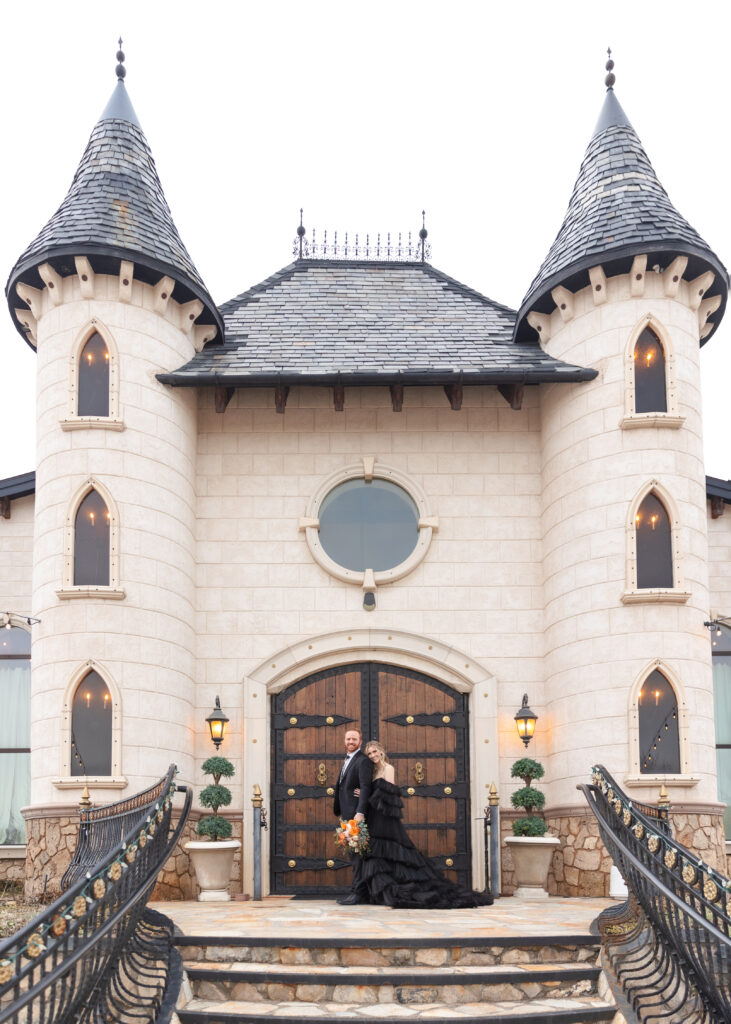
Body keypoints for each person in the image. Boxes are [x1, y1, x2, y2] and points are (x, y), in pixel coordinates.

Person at [360, 740, 493, 908]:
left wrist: (369, 795)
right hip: (374, 816)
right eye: (369, 753)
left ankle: (400, 890)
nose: (372, 755)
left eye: (374, 752)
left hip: (385, 816)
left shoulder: (388, 769)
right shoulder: (373, 772)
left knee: (392, 850)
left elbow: (389, 793)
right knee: (378, 853)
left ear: (381, 751)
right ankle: (382, 892)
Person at [332, 727, 372, 905]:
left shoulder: (362, 760)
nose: (350, 742)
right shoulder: (348, 759)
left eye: (354, 739)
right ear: (344, 740)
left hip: (356, 815)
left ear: (360, 742)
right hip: (346, 813)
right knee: (352, 852)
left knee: (357, 854)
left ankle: (358, 893)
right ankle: (357, 891)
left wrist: (360, 812)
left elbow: (365, 787)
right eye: (348, 739)